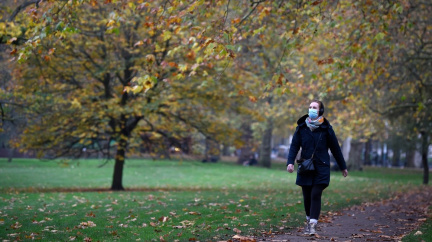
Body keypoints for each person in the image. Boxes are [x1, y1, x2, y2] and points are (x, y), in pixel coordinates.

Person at [286, 100, 348, 236]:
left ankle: (313, 225)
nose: (311, 109)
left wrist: (343, 166)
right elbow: (294, 146)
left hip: (321, 167)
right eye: (310, 107)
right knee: (307, 196)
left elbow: (335, 149)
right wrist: (290, 162)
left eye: (314, 107)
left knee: (315, 194)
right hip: (306, 167)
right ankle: (309, 221)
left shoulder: (326, 128)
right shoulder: (301, 127)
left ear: (320, 110)